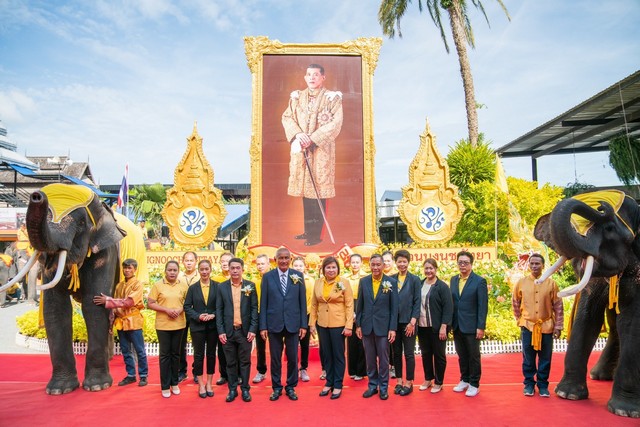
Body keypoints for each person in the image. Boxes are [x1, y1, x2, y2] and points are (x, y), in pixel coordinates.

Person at [282, 63, 343, 247]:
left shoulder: (332, 98)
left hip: (321, 150)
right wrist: (298, 135)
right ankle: (308, 231)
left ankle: (316, 235)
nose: (312, 78)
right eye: (309, 74)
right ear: (305, 77)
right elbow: (287, 117)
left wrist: (313, 138)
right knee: (305, 192)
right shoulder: (296, 97)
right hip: (302, 148)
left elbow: (335, 123)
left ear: (323, 77)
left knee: (317, 192)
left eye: (316, 75)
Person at [259, 247, 307, 401]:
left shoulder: (298, 276)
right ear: (275, 259)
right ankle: (276, 387)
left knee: (293, 357)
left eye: (287, 258)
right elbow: (264, 303)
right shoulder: (267, 277)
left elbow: (302, 303)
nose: (284, 261)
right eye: (281, 258)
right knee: (275, 358)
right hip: (274, 324)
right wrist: (263, 326)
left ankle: (291, 386)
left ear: (290, 259)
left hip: (293, 324)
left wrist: (303, 325)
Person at [512, 253, 563, 398]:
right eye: (532, 263)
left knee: (545, 357)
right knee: (528, 357)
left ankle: (543, 385)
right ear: (529, 265)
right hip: (527, 326)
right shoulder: (521, 283)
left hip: (546, 326)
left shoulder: (551, 284)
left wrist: (558, 326)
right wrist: (520, 320)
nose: (534, 266)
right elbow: (515, 302)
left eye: (537, 264)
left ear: (543, 266)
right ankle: (529, 384)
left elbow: (558, 306)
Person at [93, 258, 148, 387]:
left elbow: (129, 302)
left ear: (135, 270)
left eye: (130, 268)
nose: (127, 270)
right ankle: (131, 375)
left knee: (139, 350)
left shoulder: (138, 284)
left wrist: (108, 300)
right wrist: (111, 323)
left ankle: (143, 376)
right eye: (125, 268)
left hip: (133, 321)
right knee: (125, 350)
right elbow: (114, 308)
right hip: (121, 322)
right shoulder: (119, 285)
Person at [309, 256, 353, 399]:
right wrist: (312, 323)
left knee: (338, 355)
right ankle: (329, 382)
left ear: (338, 269)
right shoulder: (318, 283)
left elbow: (349, 305)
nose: (331, 270)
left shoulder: (344, 282)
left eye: (334, 267)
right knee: (326, 354)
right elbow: (314, 304)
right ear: (323, 269)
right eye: (328, 267)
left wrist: (349, 326)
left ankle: (338, 384)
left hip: (338, 324)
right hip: (322, 324)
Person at [356, 254, 398, 400]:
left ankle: (384, 388)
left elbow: (394, 308)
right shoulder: (364, 281)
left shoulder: (391, 282)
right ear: (370, 266)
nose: (375, 267)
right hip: (367, 326)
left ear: (383, 266)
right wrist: (358, 325)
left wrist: (392, 328)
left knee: (384, 360)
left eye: (378, 264)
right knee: (370, 358)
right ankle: (372, 386)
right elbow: (359, 305)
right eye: (373, 265)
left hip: (383, 328)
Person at [217, 258, 259, 403]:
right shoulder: (221, 287)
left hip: (244, 331)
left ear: (242, 269)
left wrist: (253, 329)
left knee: (245, 362)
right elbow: (219, 310)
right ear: (228, 270)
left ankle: (245, 389)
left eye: (237, 268)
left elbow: (254, 309)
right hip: (228, 333)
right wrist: (221, 331)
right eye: (232, 268)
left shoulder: (250, 286)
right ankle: (232, 389)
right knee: (230, 362)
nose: (235, 271)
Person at [148, 261, 189, 398]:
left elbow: (188, 303)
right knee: (165, 356)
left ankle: (175, 383)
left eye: (175, 270)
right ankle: (165, 385)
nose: (172, 272)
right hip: (163, 325)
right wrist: (166, 310)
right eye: (170, 270)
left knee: (176, 354)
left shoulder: (183, 285)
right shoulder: (158, 285)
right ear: (165, 271)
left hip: (179, 324)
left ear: (178, 271)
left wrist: (180, 310)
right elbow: (150, 303)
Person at [451, 251, 488, 397]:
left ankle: (474, 383)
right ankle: (464, 379)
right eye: (460, 262)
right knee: (462, 354)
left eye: (465, 262)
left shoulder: (479, 281)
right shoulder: (454, 280)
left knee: (473, 355)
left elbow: (482, 306)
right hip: (457, 324)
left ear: (471, 264)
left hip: (472, 326)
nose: (462, 265)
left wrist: (481, 326)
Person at [417, 258, 453, 394]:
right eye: (426, 268)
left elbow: (448, 308)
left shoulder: (442, 287)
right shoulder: (420, 284)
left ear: (436, 269)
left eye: (431, 268)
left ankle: (438, 382)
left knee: (439, 355)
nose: (428, 271)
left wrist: (444, 326)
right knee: (425, 354)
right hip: (422, 326)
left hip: (437, 328)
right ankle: (428, 379)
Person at [184, 259, 218, 398]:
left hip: (212, 326)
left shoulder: (218, 286)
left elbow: (221, 306)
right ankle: (201, 384)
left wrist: (213, 315)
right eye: (202, 269)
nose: (204, 272)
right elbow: (187, 307)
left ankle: (209, 382)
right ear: (199, 270)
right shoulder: (193, 288)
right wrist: (198, 316)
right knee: (198, 355)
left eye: (206, 269)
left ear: (210, 270)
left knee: (211, 354)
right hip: (197, 327)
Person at [391, 249, 421, 396]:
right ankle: (398, 381)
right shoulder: (390, 279)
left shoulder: (415, 280)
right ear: (395, 262)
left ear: (408, 262)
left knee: (409, 353)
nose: (402, 264)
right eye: (399, 261)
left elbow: (417, 302)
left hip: (409, 323)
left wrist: (412, 322)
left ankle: (409, 382)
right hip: (394, 324)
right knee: (396, 353)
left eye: (404, 261)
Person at [292, 256, 315, 382]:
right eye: (296, 266)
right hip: (292, 316)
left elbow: (313, 301)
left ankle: (303, 368)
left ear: (305, 267)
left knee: (304, 343)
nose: (298, 268)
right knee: (291, 343)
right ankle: (293, 368)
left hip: (306, 315)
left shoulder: (310, 280)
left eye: (300, 265)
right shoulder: (289, 280)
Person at [344, 253, 367, 381]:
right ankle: (352, 370)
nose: (355, 265)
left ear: (361, 263)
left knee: (361, 341)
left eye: (357, 262)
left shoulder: (366, 277)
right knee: (351, 341)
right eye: (353, 262)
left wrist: (358, 313)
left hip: (362, 308)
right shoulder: (345, 278)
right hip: (349, 308)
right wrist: (350, 312)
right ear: (349, 263)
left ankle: (361, 371)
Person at [178, 251, 199, 384]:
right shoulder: (178, 276)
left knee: (198, 344)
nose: (189, 263)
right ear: (183, 262)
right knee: (180, 344)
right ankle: (181, 371)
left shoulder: (200, 276)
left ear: (196, 261)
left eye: (191, 260)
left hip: (196, 314)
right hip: (181, 314)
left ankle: (197, 372)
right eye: (187, 260)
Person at [212, 252, 233, 385]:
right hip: (220, 318)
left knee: (235, 349)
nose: (225, 263)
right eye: (223, 261)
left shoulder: (238, 277)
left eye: (228, 261)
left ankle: (236, 375)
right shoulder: (215, 279)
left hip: (235, 318)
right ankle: (223, 374)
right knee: (222, 348)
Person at [252, 254, 270, 384]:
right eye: (258, 264)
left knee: (277, 346)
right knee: (260, 345)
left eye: (262, 264)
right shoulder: (253, 281)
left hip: (273, 315)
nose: (260, 266)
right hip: (258, 315)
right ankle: (261, 371)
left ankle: (278, 370)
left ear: (268, 264)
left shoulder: (274, 278)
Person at [381, 250, 397, 379]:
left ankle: (394, 365)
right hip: (381, 316)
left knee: (393, 342)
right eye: (384, 261)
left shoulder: (395, 278)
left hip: (394, 314)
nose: (386, 263)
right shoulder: (378, 276)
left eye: (388, 260)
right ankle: (385, 365)